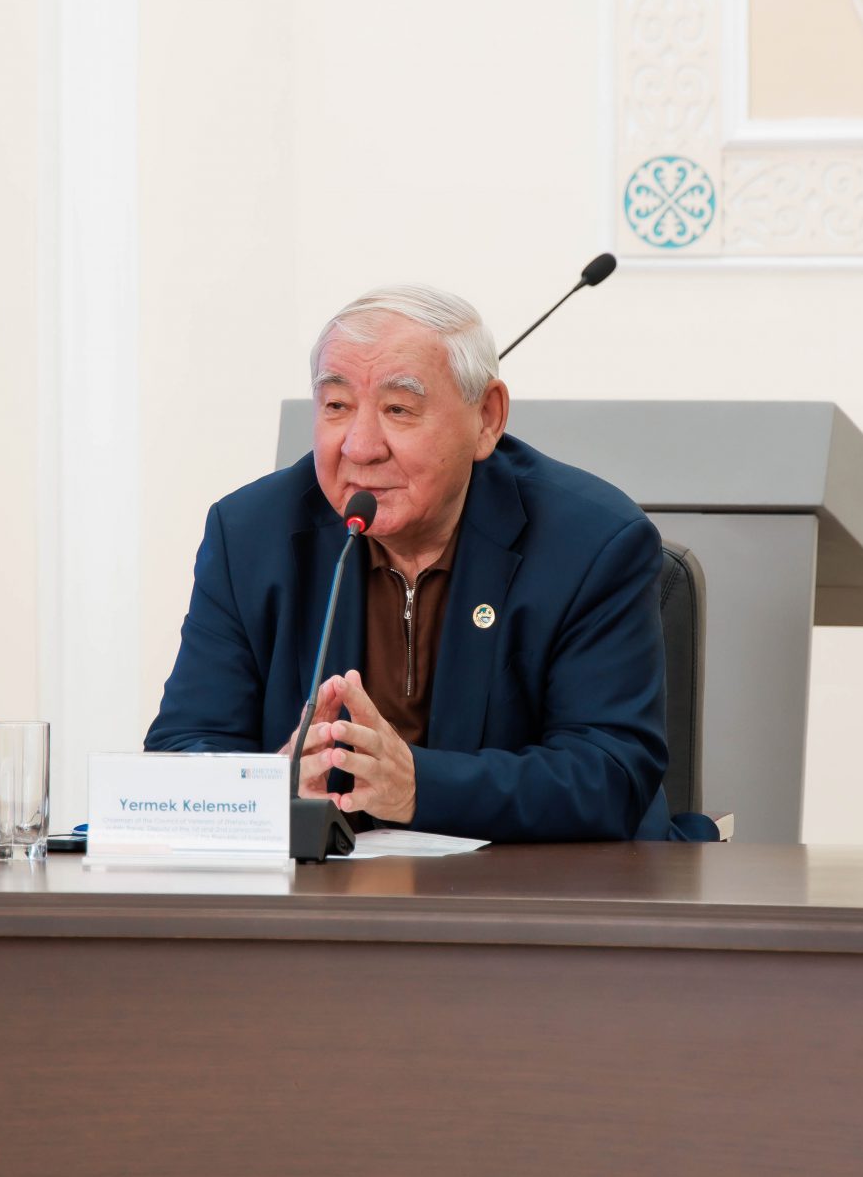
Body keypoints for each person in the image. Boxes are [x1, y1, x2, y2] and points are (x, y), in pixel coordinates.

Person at [146, 285, 705, 841]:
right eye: (337, 406)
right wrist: (268, 787)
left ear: (486, 419)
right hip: (327, 889)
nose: (360, 447)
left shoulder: (590, 542)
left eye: (398, 409)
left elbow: (609, 776)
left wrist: (420, 786)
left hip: (535, 887)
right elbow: (182, 750)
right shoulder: (250, 534)